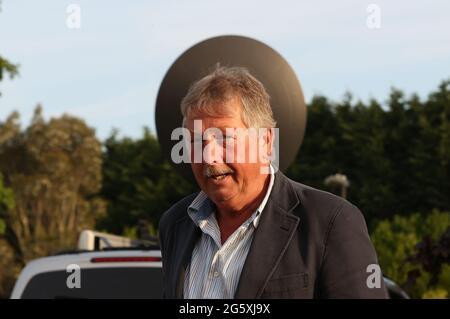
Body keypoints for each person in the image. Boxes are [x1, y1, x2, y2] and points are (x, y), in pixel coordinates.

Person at [158, 66, 388, 299]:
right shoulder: (175, 224)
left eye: (224, 138)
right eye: (196, 141)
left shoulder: (330, 222)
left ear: (266, 141)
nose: (209, 156)